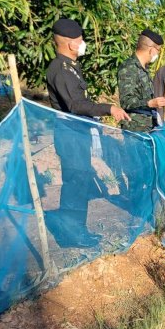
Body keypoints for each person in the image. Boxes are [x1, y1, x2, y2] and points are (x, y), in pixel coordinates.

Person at [45, 18, 130, 248]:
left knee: (79, 182)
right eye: (80, 40)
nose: (83, 44)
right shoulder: (60, 70)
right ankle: (72, 235)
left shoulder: (72, 67)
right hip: (69, 134)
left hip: (77, 133)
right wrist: (108, 108)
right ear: (70, 44)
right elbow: (75, 105)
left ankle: (75, 229)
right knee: (75, 183)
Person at [118, 29, 165, 132]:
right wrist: (149, 103)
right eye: (158, 50)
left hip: (147, 127)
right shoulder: (129, 67)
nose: (158, 54)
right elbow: (126, 101)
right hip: (134, 129)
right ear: (152, 50)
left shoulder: (144, 69)